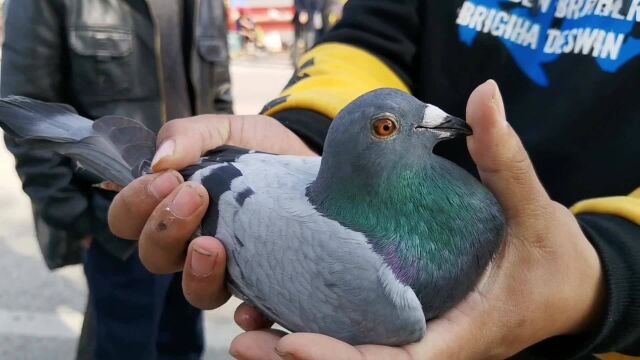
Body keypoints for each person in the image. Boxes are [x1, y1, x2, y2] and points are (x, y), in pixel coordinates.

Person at [107, 0, 639, 359]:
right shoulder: (381, 288)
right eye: (391, 127)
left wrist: (612, 273)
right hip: (295, 192)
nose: (440, 119)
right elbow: (371, 33)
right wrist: (308, 131)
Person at [1, 0, 232, 358]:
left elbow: (219, 98)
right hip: (118, 227)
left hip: (197, 216)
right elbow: (27, 114)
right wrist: (78, 218)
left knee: (183, 346)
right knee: (121, 347)